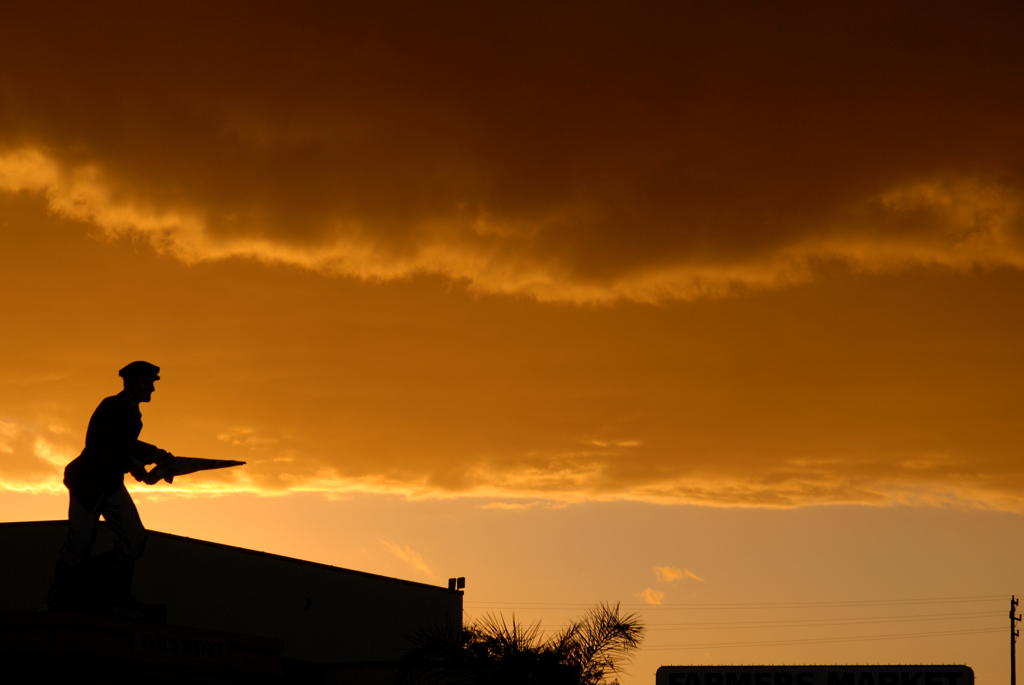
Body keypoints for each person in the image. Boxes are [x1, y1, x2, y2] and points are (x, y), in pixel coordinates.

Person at [48, 361, 176, 616]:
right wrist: (153, 453)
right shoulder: (112, 407)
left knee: (134, 536)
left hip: (110, 483)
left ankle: (119, 603)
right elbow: (117, 442)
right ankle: (52, 604)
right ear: (134, 383)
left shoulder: (134, 416)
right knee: (79, 546)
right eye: (148, 383)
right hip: (89, 482)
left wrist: (140, 471)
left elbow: (120, 452)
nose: (152, 388)